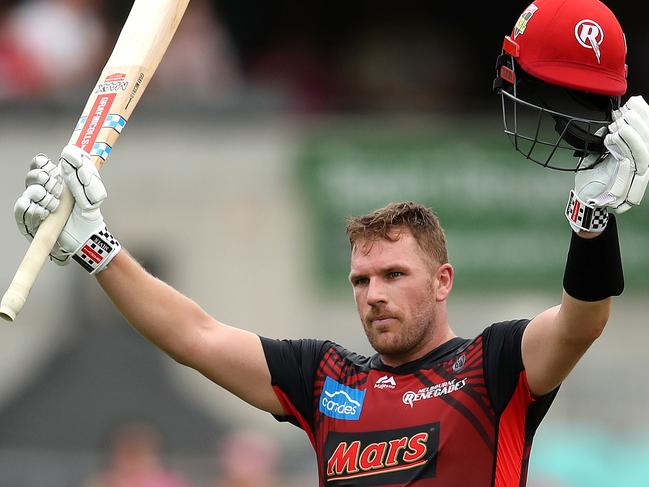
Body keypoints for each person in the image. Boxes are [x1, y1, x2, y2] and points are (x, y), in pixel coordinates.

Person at [11, 0, 649, 485]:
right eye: (361, 281)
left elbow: (581, 321)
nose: (373, 294)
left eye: (394, 275)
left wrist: (592, 219)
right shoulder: (325, 379)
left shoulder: (494, 366)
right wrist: (96, 246)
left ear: (443, 281)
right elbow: (195, 336)